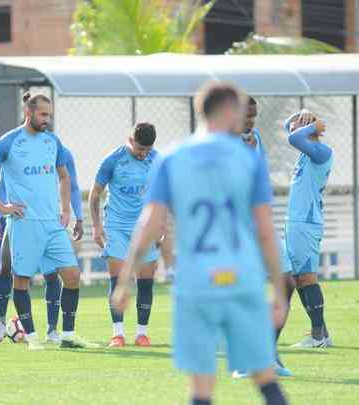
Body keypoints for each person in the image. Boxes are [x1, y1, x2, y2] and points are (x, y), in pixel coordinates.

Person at [112, 82, 289, 405]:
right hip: (241, 278)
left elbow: (151, 224)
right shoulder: (249, 159)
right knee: (265, 379)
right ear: (229, 110)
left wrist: (125, 283)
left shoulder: (171, 158)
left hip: (196, 281)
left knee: (201, 390)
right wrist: (278, 290)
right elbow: (265, 230)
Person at [0, 93, 97, 351]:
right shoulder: (8, 142)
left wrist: (65, 209)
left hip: (52, 223)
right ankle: (31, 337)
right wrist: (1, 207)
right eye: (43, 115)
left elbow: (65, 178)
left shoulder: (53, 142)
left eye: (49, 115)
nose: (47, 120)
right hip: (24, 223)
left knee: (72, 276)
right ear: (28, 113)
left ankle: (68, 335)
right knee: (21, 280)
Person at [0, 142, 84, 344]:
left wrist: (79, 217)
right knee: (6, 267)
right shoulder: (15, 149)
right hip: (19, 222)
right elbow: (3, 185)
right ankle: (0, 322)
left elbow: (72, 184)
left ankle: (52, 330)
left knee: (52, 274)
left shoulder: (61, 153)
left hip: (48, 222)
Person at [233, 96, 293, 378]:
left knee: (287, 282)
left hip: (262, 224)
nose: (251, 122)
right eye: (247, 116)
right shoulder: (222, 142)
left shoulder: (254, 136)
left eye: (254, 117)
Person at [89, 122, 160, 347]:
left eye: (147, 150)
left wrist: (162, 225)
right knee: (119, 279)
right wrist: (97, 226)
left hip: (145, 227)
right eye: (140, 149)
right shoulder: (113, 160)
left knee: (146, 281)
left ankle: (142, 333)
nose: (143, 154)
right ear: (130, 141)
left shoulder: (157, 160)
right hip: (116, 226)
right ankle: (117, 333)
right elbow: (95, 193)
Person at [283, 109, 333, 348]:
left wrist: (313, 125)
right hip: (297, 222)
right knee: (299, 277)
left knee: (306, 277)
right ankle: (322, 333)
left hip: (305, 222)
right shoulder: (306, 152)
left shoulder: (320, 152)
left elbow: (292, 137)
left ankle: (317, 337)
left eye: (298, 126)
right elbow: (288, 129)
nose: (293, 128)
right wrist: (300, 114)